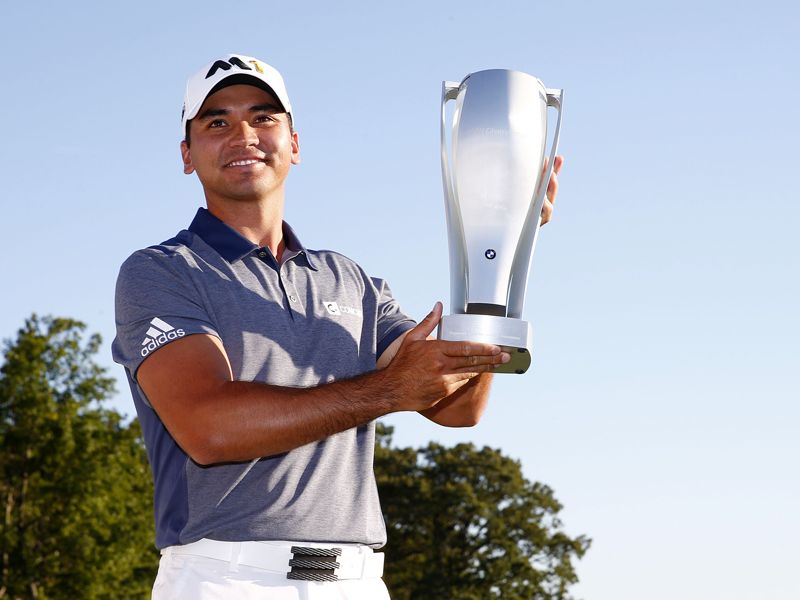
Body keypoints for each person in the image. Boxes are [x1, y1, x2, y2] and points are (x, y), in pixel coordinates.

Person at [112, 53, 563, 599]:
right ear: (187, 154)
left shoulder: (349, 280)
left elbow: (457, 406)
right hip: (226, 576)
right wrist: (389, 390)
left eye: (263, 117)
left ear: (294, 144)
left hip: (357, 580)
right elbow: (210, 428)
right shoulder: (161, 271)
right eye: (216, 122)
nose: (243, 135)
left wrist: (501, 245)